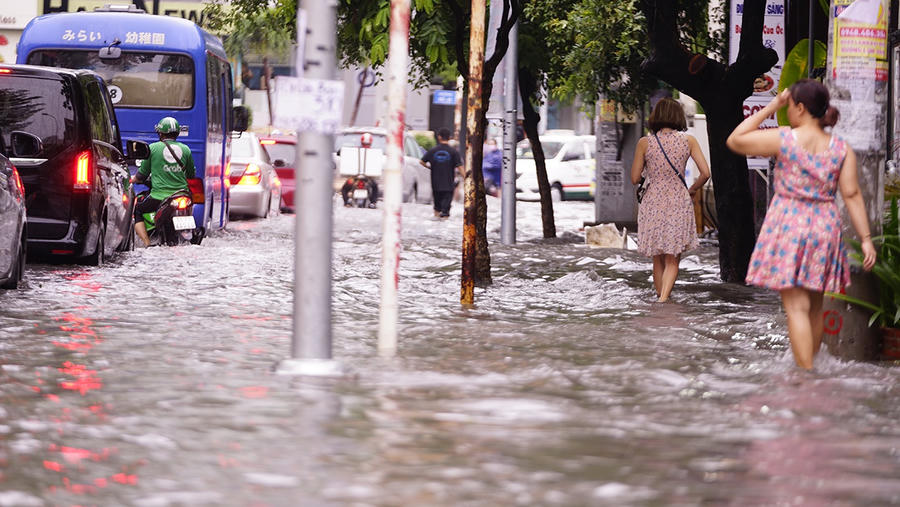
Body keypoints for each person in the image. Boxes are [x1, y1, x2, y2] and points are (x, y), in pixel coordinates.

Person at [726, 79, 876, 370]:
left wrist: (771, 106)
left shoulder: (785, 138)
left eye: (790, 105)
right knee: (816, 308)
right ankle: (813, 365)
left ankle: (806, 375)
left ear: (800, 107)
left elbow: (735, 140)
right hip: (824, 226)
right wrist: (866, 238)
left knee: (796, 308)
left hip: (789, 225)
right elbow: (852, 194)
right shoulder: (841, 149)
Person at [630, 98, 711, 303]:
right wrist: (692, 189)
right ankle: (663, 300)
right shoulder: (688, 141)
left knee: (657, 257)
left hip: (652, 200)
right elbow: (705, 173)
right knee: (673, 257)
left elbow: (634, 178)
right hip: (678, 200)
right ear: (678, 116)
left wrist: (650, 172)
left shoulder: (644, 143)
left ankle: (661, 300)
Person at [131, 117, 195, 247]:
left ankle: (147, 244)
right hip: (182, 196)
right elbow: (191, 175)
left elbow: (142, 175)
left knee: (137, 209)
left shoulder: (153, 148)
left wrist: (133, 179)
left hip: (159, 197)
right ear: (177, 133)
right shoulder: (186, 150)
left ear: (160, 133)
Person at [421, 128, 463, 219]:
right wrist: (466, 178)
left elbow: (422, 161)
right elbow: (460, 166)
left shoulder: (433, 150)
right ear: (449, 137)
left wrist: (430, 167)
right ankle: (444, 217)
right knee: (445, 211)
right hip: (448, 184)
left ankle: (436, 219)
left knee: (437, 208)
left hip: (435, 183)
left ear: (439, 137)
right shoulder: (454, 152)